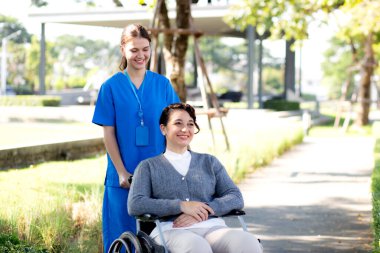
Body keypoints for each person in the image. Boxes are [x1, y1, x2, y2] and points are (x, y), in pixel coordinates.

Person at [128, 103, 263, 253]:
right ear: (163, 128)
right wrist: (181, 206)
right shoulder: (148, 167)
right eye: (178, 123)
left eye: (190, 124)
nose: (185, 129)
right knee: (197, 246)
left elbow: (235, 196)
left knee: (247, 241)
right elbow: (135, 204)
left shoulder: (209, 162)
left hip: (211, 227)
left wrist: (202, 211)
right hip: (169, 230)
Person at [92, 23, 180, 252]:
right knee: (121, 240)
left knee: (161, 241)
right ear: (123, 50)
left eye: (145, 49)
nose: (141, 55)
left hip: (159, 177)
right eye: (134, 50)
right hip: (123, 178)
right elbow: (108, 133)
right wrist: (121, 171)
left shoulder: (163, 85)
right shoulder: (110, 87)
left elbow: (176, 127)